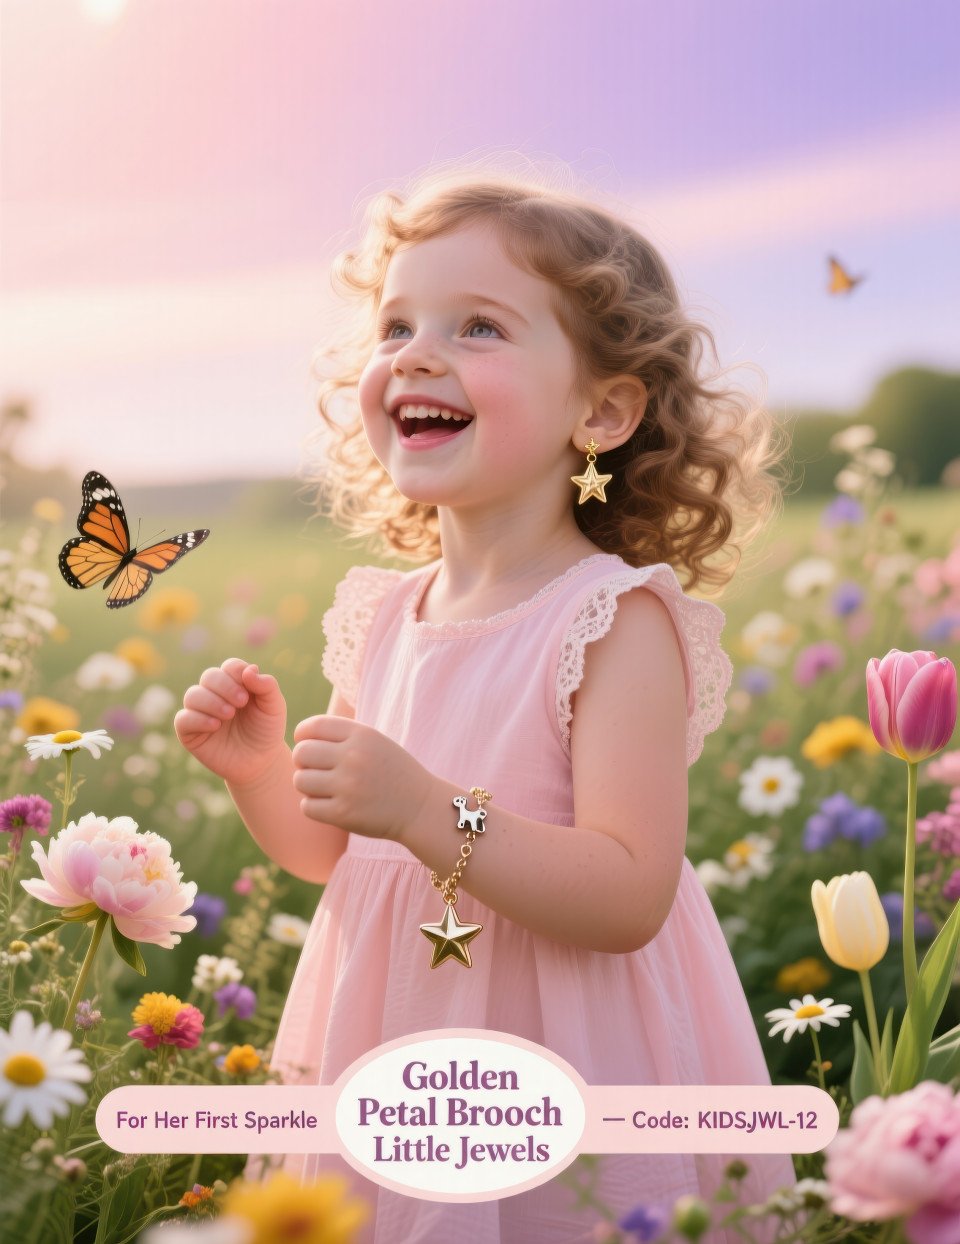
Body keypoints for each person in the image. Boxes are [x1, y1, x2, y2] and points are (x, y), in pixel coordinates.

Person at [175, 165, 797, 1243]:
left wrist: (429, 810)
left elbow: (628, 892)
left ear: (601, 410)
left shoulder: (610, 618)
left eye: (478, 327)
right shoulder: (383, 615)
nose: (417, 354)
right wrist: (261, 774)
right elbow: (335, 855)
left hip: (560, 1045)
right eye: (396, 326)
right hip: (395, 1033)